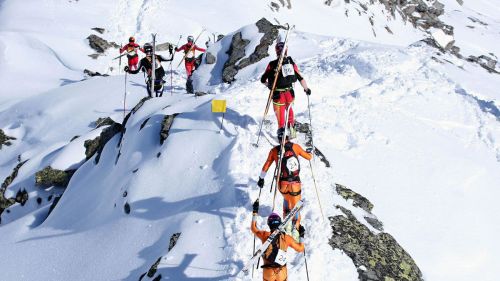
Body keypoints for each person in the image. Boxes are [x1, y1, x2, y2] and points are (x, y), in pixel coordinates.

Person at [257, 130, 312, 235]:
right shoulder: (295, 147)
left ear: (278, 138)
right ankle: (295, 229)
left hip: (282, 185)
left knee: (286, 200)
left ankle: (286, 226)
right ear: (288, 137)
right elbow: (308, 157)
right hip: (295, 184)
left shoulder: (274, 151)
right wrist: (310, 152)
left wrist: (261, 178)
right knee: (295, 207)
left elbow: (266, 165)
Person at [260, 42, 311, 138]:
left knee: (280, 112)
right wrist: (306, 89)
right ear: (286, 51)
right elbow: (300, 77)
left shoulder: (272, 64)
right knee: (289, 108)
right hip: (290, 94)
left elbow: (263, 79)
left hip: (277, 95)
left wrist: (269, 86)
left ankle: (281, 131)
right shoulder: (291, 63)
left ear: (276, 51)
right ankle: (291, 128)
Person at [251, 199, 305, 281]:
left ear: (269, 224)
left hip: (268, 270)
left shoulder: (265, 235)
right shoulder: (287, 238)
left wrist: (255, 211)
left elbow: (253, 228)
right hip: (281, 270)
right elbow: (301, 249)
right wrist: (301, 236)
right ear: (280, 223)